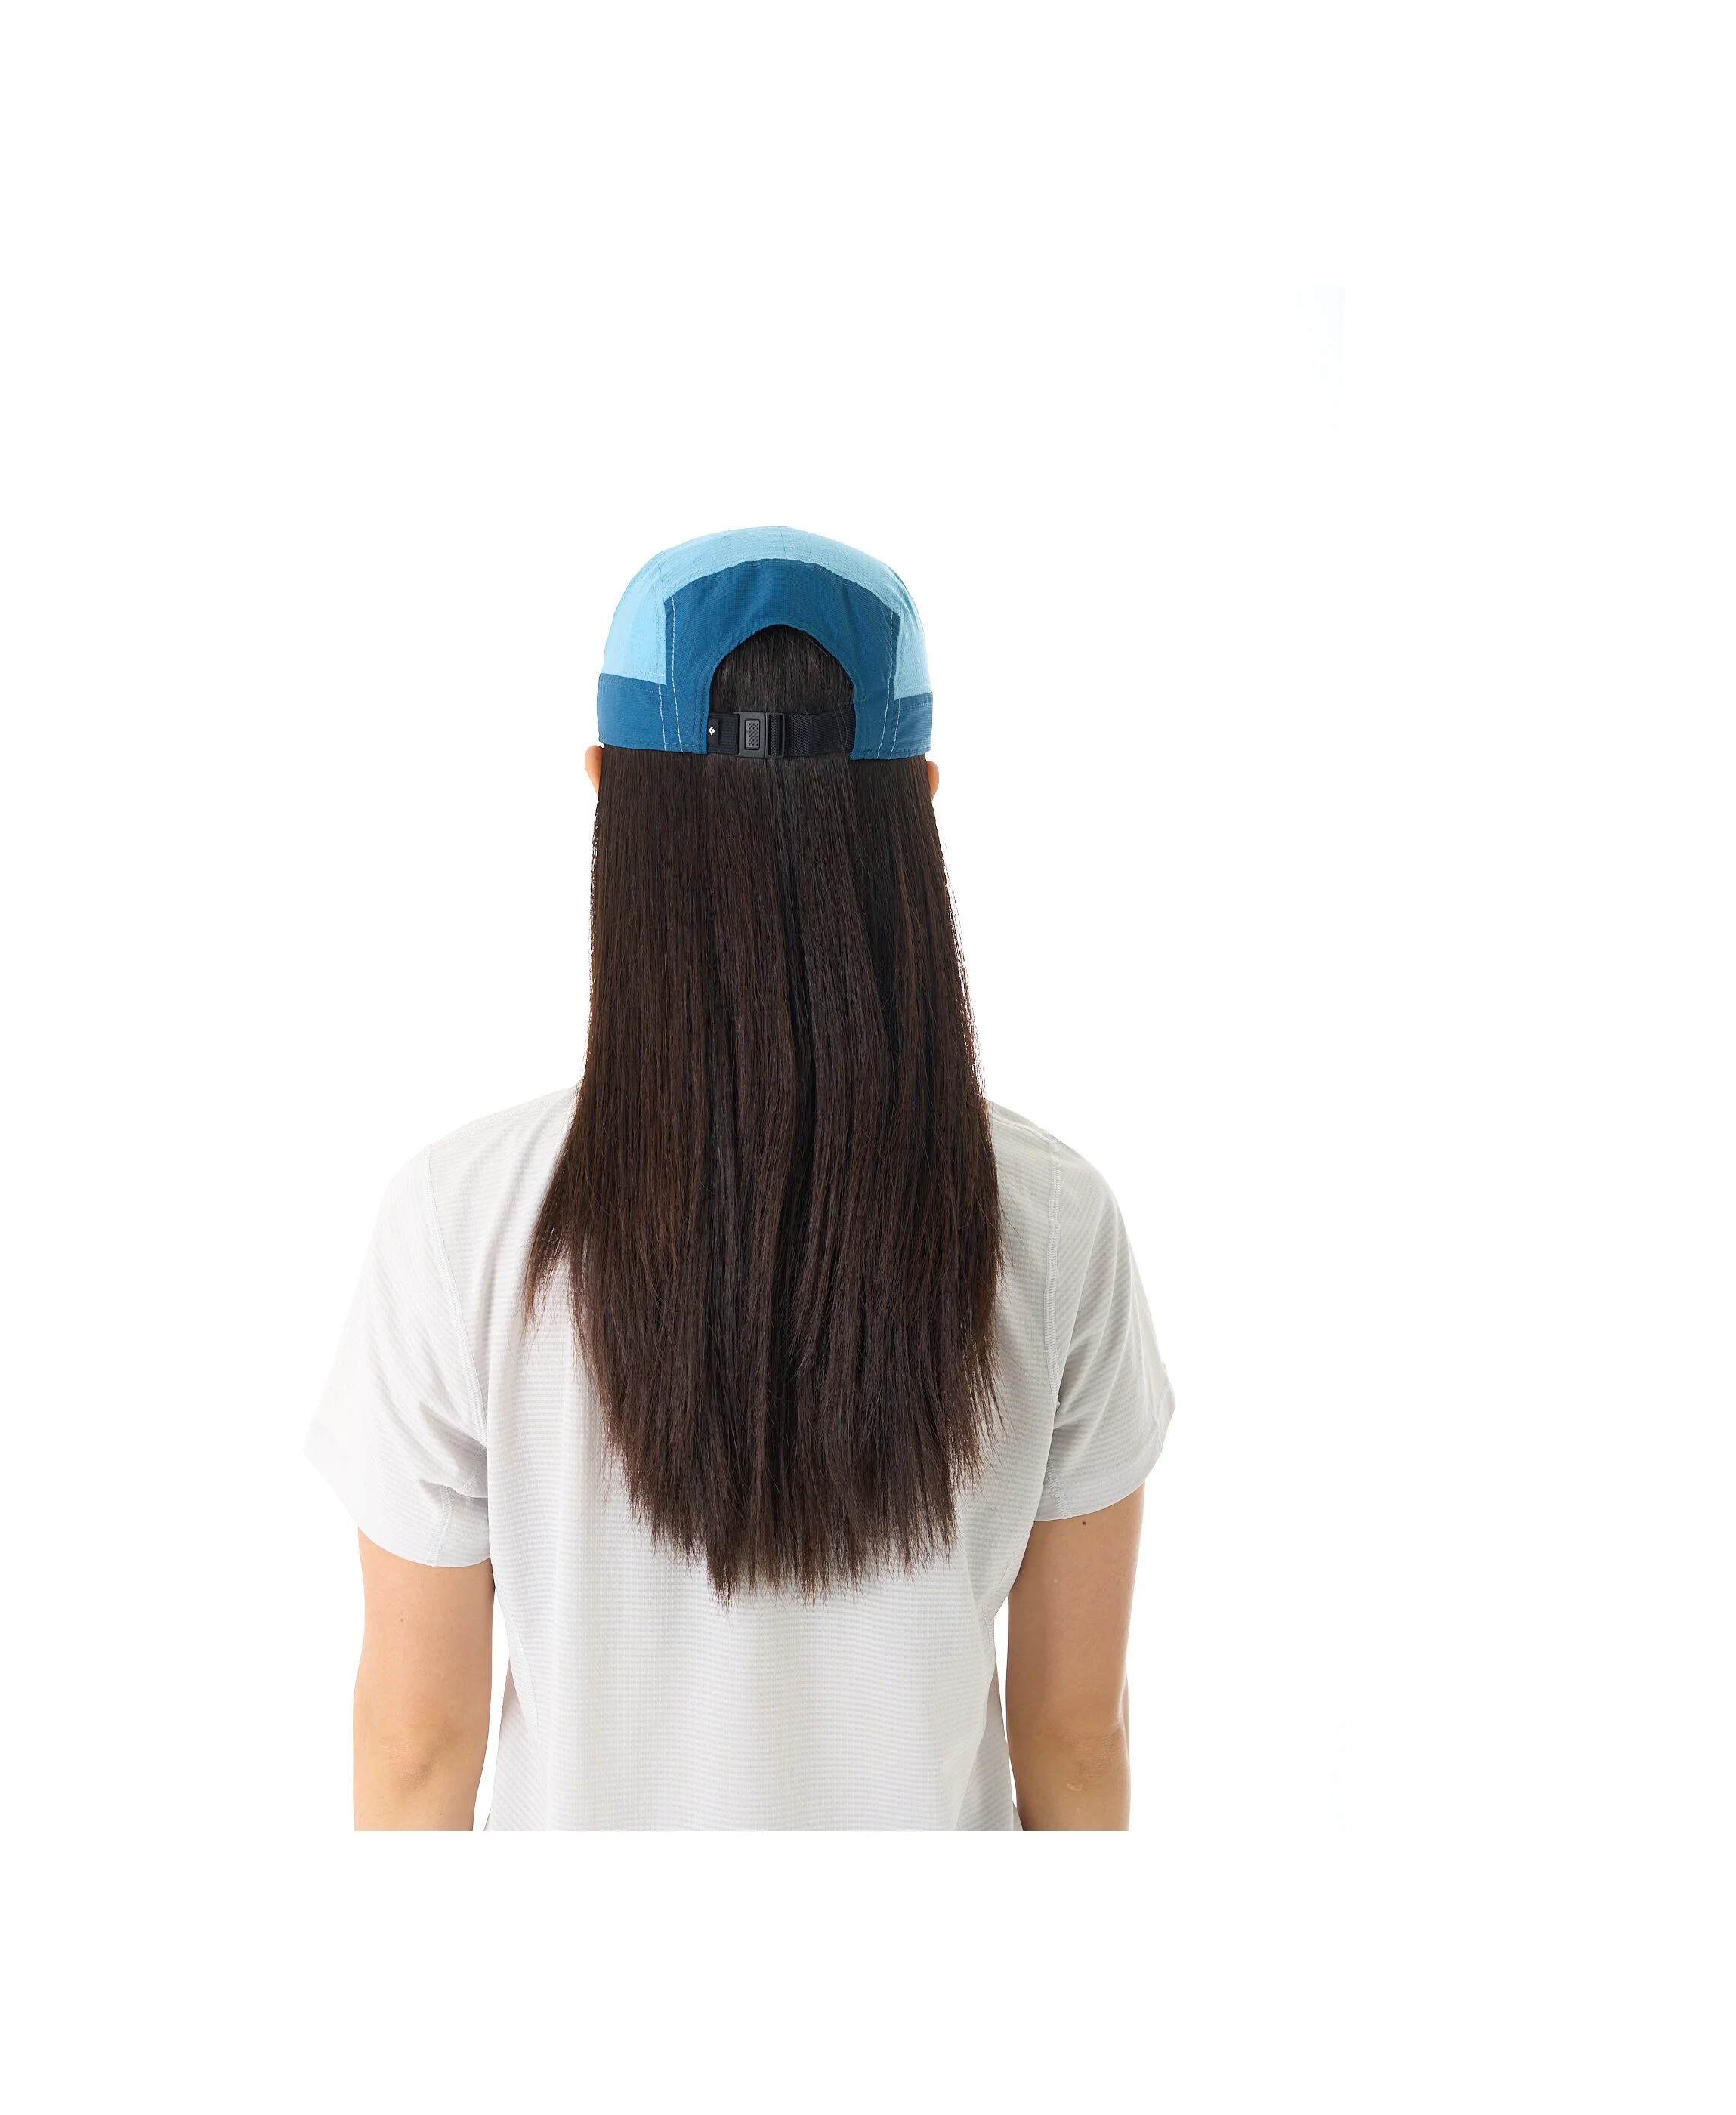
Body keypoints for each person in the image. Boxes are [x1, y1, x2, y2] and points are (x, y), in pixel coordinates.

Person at [304, 526, 1175, 1829]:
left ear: (605, 783)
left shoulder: (458, 1221)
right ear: (922, 796)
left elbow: (418, 1749)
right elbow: (1075, 1735)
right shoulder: (1055, 1227)